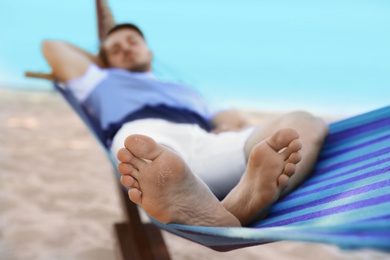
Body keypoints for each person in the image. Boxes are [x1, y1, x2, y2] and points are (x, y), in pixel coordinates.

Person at [42, 23, 328, 227]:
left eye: (132, 42)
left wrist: (229, 127)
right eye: (116, 49)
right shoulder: (98, 81)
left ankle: (239, 203)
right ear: (105, 61)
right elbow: (52, 47)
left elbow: (235, 120)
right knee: (143, 150)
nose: (126, 49)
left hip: (207, 143)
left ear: (149, 51)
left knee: (305, 122)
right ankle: (187, 194)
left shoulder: (185, 91)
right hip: (146, 135)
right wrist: (101, 63)